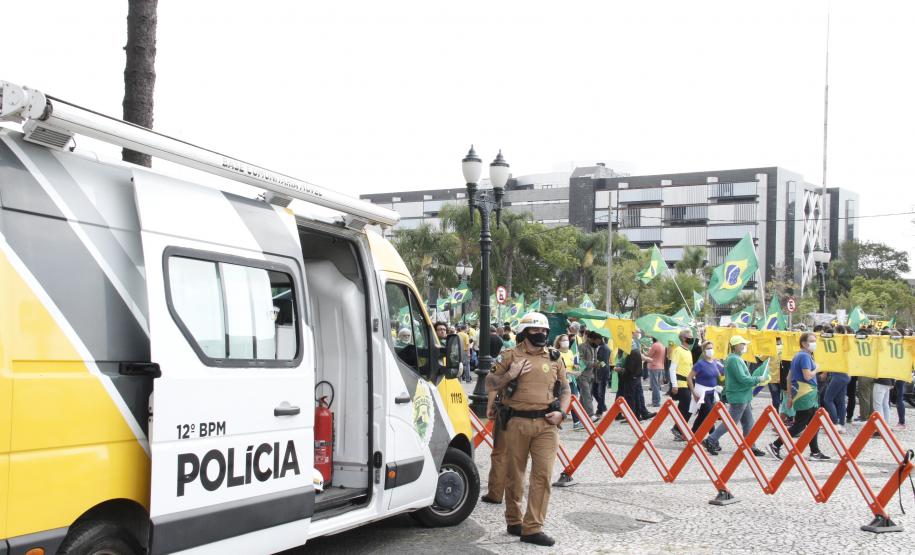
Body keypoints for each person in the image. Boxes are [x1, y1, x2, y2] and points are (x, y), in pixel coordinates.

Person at [486, 312, 571, 547]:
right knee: (515, 474)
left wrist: (562, 413)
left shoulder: (554, 358)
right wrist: (510, 375)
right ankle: (514, 520)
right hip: (516, 422)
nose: (541, 334)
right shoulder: (509, 356)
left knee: (543, 475)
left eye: (544, 331)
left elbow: (565, 390)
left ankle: (533, 528)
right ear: (524, 333)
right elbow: (489, 383)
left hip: (547, 424)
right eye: (536, 330)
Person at [768, 332, 831, 461]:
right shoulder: (804, 357)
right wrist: (817, 369)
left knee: (813, 423)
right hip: (806, 393)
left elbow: (789, 377)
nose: (814, 343)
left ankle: (815, 451)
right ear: (803, 343)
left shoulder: (798, 356)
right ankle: (775, 444)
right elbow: (807, 376)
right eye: (812, 341)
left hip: (802, 393)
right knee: (800, 425)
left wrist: (790, 397)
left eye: (815, 340)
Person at [704, 336, 767, 457]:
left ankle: (750, 445)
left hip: (742, 395)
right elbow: (742, 379)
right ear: (736, 346)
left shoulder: (734, 358)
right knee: (731, 422)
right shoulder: (734, 359)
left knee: (748, 422)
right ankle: (711, 440)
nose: (744, 347)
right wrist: (757, 379)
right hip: (739, 395)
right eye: (742, 344)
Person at [687, 341, 723, 437]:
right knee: (710, 415)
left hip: (713, 392)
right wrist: (694, 393)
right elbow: (689, 377)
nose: (710, 350)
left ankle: (693, 433)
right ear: (703, 351)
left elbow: (719, 376)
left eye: (711, 348)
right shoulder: (700, 364)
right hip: (702, 392)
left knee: (703, 415)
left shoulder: (715, 362)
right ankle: (712, 439)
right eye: (708, 349)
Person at [668, 330, 695, 441]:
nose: (691, 338)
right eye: (690, 336)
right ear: (684, 338)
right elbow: (672, 368)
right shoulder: (678, 350)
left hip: (688, 382)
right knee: (686, 406)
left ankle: (678, 428)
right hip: (680, 382)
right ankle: (678, 429)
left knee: (688, 407)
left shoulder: (688, 351)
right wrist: (674, 384)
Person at [577, 332, 597, 421]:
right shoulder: (582, 346)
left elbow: (594, 359)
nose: (597, 342)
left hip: (590, 375)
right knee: (587, 395)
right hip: (582, 375)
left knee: (583, 396)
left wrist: (598, 363)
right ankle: (590, 414)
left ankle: (580, 414)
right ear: (589, 338)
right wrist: (592, 364)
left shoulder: (594, 348)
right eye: (595, 340)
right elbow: (581, 360)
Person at [592, 332, 612, 419]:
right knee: (596, 391)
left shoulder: (604, 348)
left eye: (595, 340)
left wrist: (597, 363)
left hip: (602, 373)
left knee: (600, 393)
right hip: (601, 372)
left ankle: (600, 410)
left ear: (599, 339)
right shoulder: (602, 347)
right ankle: (602, 406)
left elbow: (603, 363)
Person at [647, 336, 666, 408]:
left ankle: (655, 402)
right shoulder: (662, 345)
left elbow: (649, 356)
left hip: (654, 366)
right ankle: (657, 401)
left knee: (654, 385)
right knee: (657, 385)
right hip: (660, 366)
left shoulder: (654, 345)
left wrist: (647, 350)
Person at [767, 337, 784, 410]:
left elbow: (760, 358)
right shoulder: (785, 348)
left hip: (772, 378)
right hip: (784, 378)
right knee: (785, 400)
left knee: (775, 400)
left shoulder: (769, 349)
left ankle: (775, 415)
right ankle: (787, 417)